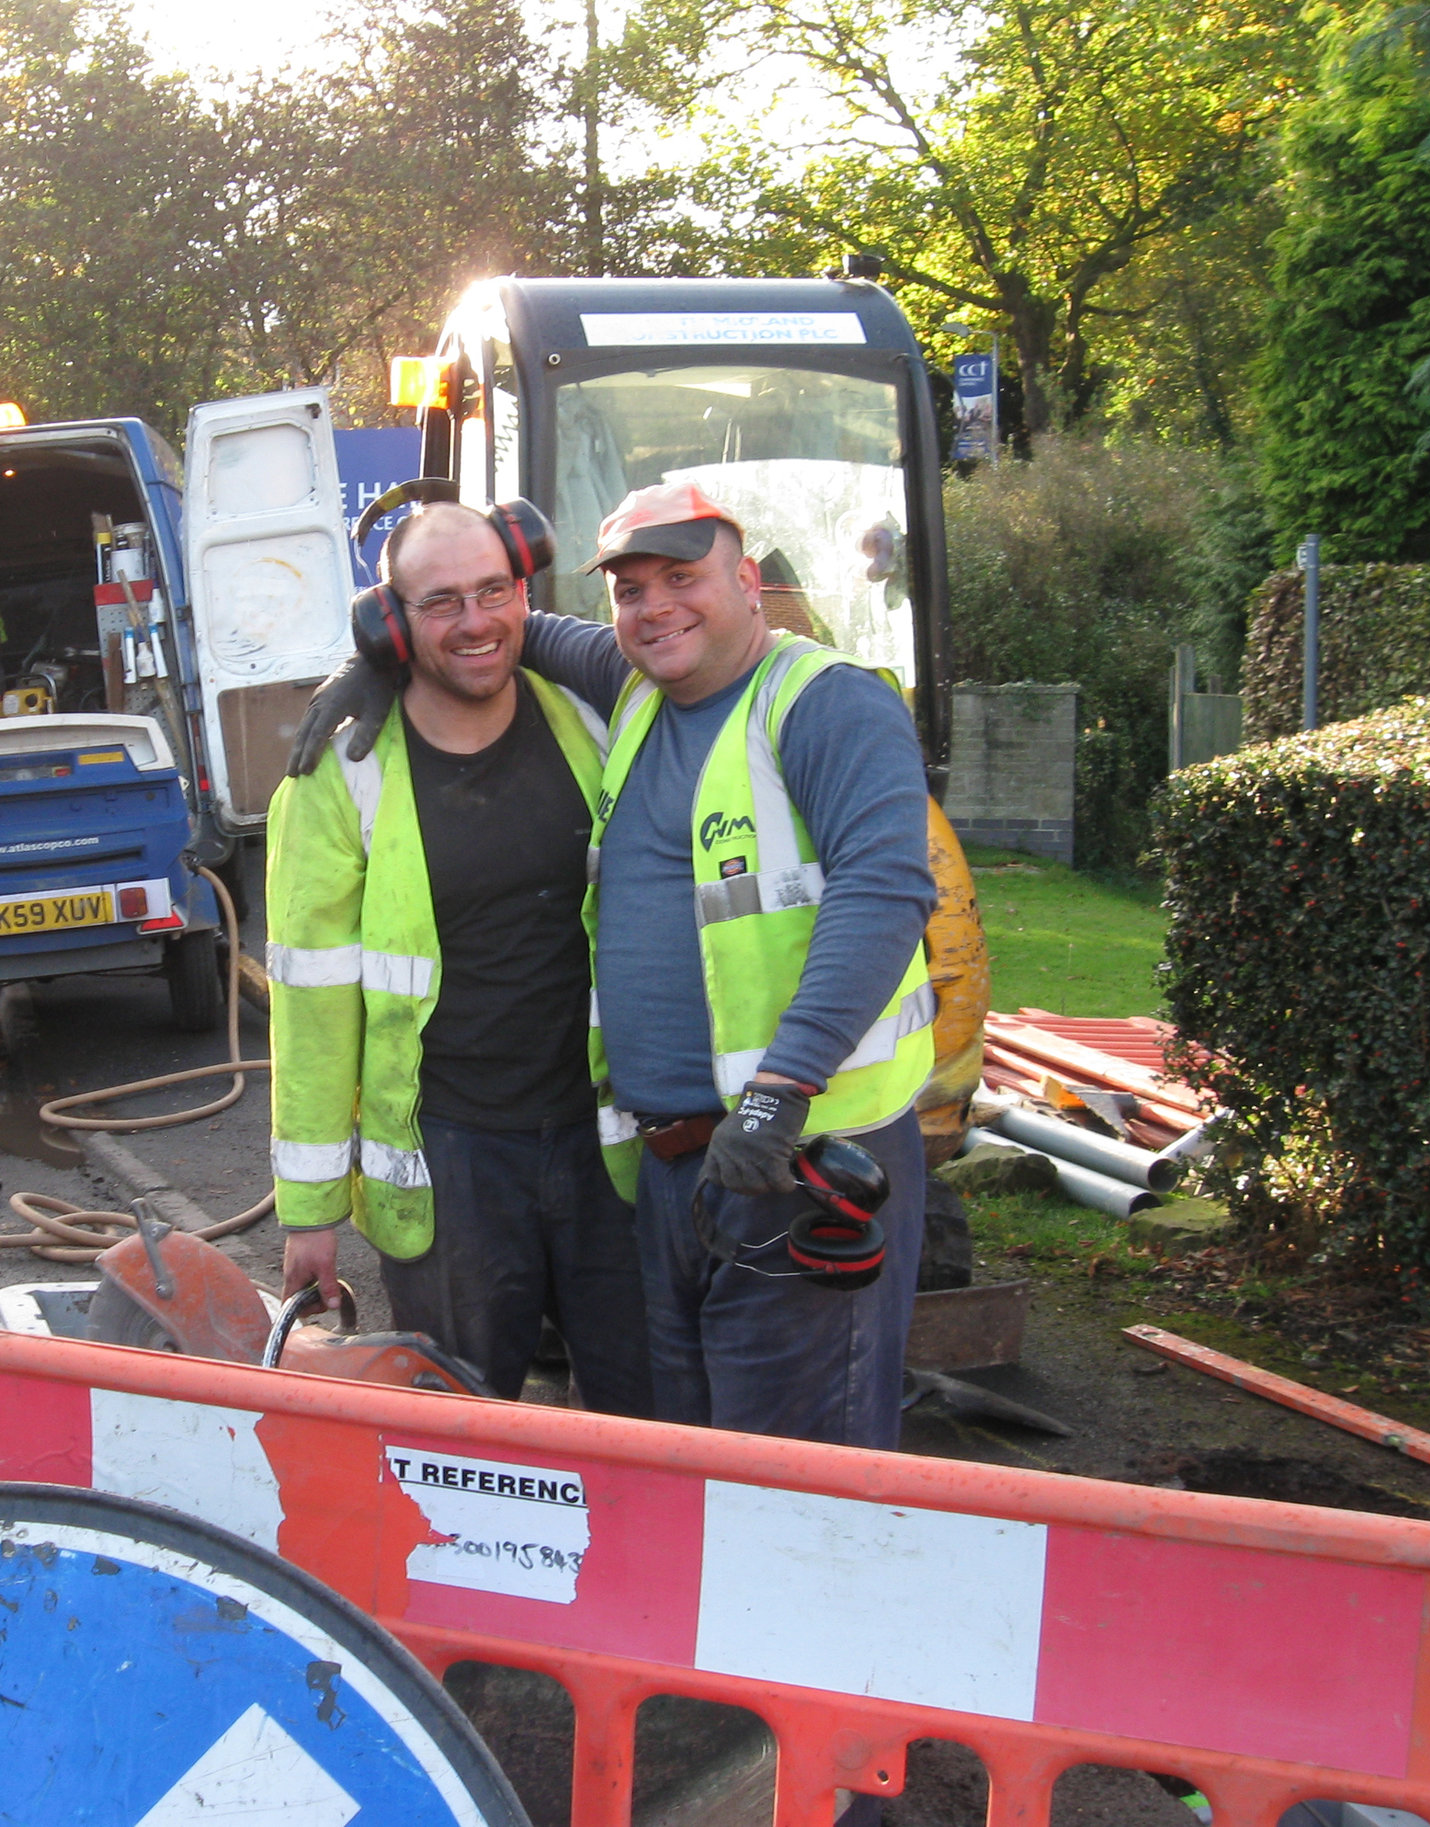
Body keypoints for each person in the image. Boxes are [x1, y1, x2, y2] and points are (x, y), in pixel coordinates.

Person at [290, 481, 936, 1448]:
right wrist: (374, 658)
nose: (656, 606)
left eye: (684, 577)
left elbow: (884, 889)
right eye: (631, 590)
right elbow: (503, 628)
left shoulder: (821, 704)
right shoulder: (637, 694)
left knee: (798, 1473)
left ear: (748, 581)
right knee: (668, 1458)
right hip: (667, 1172)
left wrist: (781, 1088)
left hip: (797, 1158)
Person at [265, 500, 653, 1416]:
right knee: (460, 1435)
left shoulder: (594, 722)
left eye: (494, 590)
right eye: (442, 602)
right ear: (391, 624)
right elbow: (311, 1003)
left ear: (527, 591)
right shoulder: (339, 774)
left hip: (610, 1146)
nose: (477, 622)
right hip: (455, 1167)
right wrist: (310, 1214)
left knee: (646, 1420)